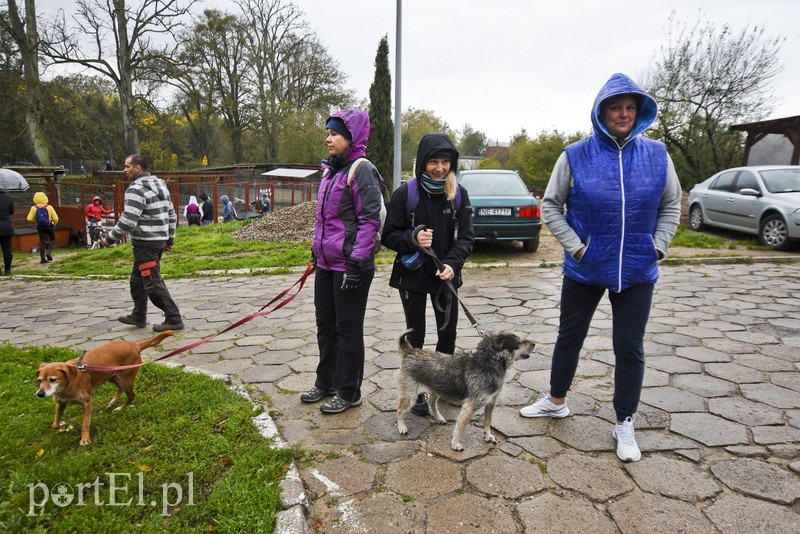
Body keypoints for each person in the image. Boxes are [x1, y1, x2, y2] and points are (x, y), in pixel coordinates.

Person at [518, 73, 682, 463]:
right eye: (615, 108)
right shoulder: (575, 154)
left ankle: (624, 421)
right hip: (586, 267)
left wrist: (657, 247)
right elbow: (551, 205)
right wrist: (575, 248)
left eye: (630, 108)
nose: (623, 114)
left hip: (638, 270)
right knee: (569, 337)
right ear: (601, 112)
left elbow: (671, 204)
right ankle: (556, 400)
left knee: (629, 347)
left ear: (638, 112)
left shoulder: (657, 154)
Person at [381, 132, 475, 416]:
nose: (439, 168)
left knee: (447, 335)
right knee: (416, 336)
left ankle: (442, 386)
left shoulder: (459, 195)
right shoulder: (405, 194)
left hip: (445, 278)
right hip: (412, 278)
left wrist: (452, 264)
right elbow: (388, 236)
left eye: (445, 162)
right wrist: (412, 237)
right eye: (433, 161)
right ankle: (417, 390)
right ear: (422, 162)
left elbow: (467, 238)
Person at [303, 109, 386, 414]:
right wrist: (317, 250)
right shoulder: (330, 170)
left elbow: (369, 221)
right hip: (326, 264)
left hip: (352, 267)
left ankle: (350, 391)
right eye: (327, 132)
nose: (328, 138)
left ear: (352, 138)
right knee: (325, 326)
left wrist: (356, 262)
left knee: (348, 329)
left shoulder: (361, 170)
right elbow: (324, 219)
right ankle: (327, 382)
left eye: (335, 133)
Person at [101, 154, 184, 332]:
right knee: (137, 280)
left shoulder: (136, 189)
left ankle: (174, 318)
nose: (124, 170)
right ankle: (139, 315)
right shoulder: (161, 185)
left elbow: (128, 220)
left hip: (145, 243)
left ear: (137, 168)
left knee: (152, 283)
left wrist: (110, 238)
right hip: (158, 240)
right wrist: (169, 238)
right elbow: (172, 215)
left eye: (127, 166)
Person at [26, 192, 59, 264]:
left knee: (42, 241)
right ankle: (49, 252)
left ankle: (42, 259)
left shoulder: (34, 208)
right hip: (49, 226)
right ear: (45, 198)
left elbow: (29, 218)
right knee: (52, 239)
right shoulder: (49, 207)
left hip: (40, 227)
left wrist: (36, 220)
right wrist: (54, 224)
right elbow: (56, 218)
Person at [0, 190, 14, 275]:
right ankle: (7, 269)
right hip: (6, 226)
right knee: (7, 249)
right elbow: (11, 211)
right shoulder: (7, 196)